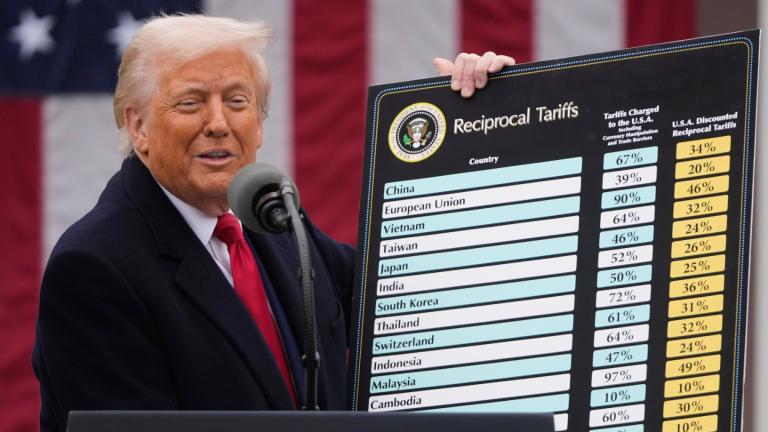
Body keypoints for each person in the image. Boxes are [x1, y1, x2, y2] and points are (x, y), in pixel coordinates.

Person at [32, 14, 515, 432]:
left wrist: (474, 127)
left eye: (237, 101)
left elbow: (408, 299)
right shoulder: (94, 269)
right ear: (138, 127)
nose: (218, 123)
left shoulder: (273, 218)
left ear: (260, 125)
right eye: (190, 102)